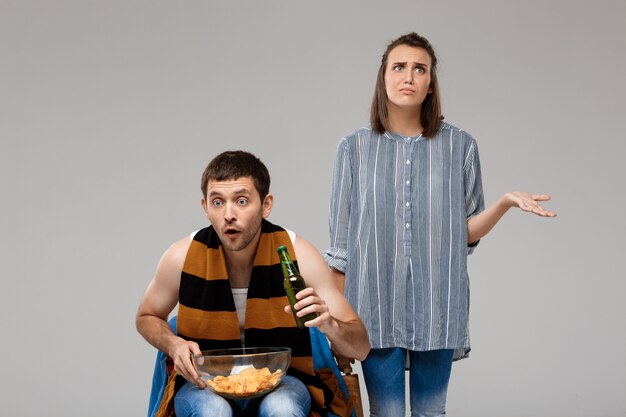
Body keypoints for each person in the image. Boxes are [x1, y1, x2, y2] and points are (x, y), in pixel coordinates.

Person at [324, 33, 556, 417]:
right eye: (399, 67)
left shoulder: (461, 146)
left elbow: (463, 234)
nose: (409, 77)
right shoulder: (353, 149)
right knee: (387, 414)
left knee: (432, 414)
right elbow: (342, 248)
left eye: (420, 69)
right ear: (384, 78)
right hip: (374, 311)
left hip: (437, 307)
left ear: (431, 83)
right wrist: (337, 325)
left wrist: (503, 204)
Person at [137, 150, 370, 417]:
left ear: (266, 204)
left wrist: (330, 325)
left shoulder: (298, 255)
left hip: (282, 380)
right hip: (204, 382)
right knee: (212, 410)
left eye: (242, 201)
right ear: (204, 207)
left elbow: (360, 348)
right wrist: (173, 344)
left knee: (282, 408)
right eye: (217, 202)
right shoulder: (181, 256)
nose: (228, 214)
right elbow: (146, 316)